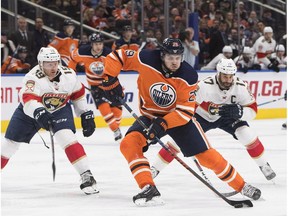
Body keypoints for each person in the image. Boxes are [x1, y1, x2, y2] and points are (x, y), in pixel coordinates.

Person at [100, 38, 261, 206]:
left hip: (179, 120)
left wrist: (164, 123)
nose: (175, 62)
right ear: (162, 55)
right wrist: (109, 78)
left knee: (207, 157)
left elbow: (185, 111)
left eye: (178, 58)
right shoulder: (146, 58)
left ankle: (242, 186)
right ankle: (148, 187)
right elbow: (118, 57)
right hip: (150, 117)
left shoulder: (189, 75)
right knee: (128, 144)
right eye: (170, 57)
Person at [151, 58, 276, 182]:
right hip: (202, 117)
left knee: (246, 134)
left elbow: (253, 110)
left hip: (227, 119)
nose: (228, 80)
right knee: (178, 141)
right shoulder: (204, 85)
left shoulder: (241, 87)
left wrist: (241, 112)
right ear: (218, 73)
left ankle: (264, 165)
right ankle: (155, 168)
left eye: (230, 76)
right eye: (225, 76)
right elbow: (189, 105)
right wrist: (187, 124)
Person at [1, 47, 98, 195]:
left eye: (55, 63)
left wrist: (84, 113)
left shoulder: (69, 75)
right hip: (28, 113)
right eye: (48, 64)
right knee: (10, 145)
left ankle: (87, 175)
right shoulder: (32, 77)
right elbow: (28, 100)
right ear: (41, 64)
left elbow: (78, 95)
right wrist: (39, 112)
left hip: (58, 110)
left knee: (68, 138)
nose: (53, 67)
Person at [68, 33, 123, 142]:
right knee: (104, 109)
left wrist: (108, 82)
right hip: (95, 87)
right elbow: (72, 59)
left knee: (117, 112)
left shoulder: (109, 54)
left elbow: (117, 68)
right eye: (96, 44)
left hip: (110, 84)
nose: (98, 46)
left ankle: (116, 126)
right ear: (91, 45)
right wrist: (71, 73)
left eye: (100, 44)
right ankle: (115, 130)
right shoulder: (82, 52)